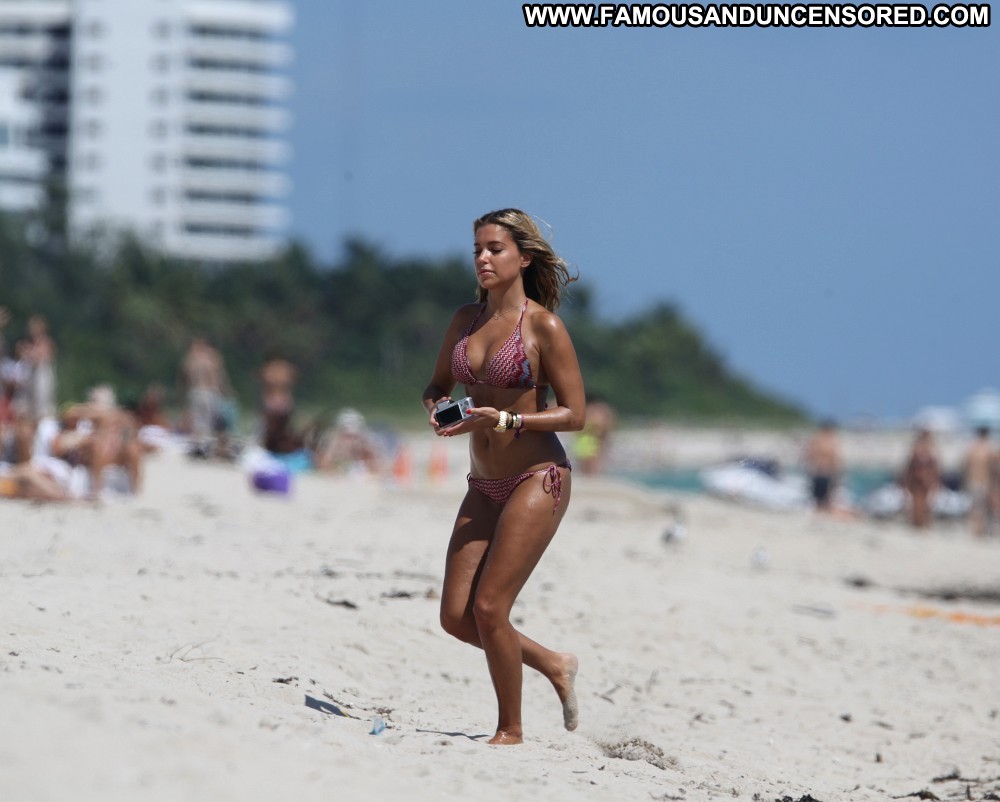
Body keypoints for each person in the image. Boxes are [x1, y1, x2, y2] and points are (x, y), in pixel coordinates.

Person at [421, 208, 585, 745]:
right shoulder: (465, 320)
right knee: (455, 617)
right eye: (478, 250)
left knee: (490, 607)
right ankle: (554, 663)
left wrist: (509, 420)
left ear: (524, 258)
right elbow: (436, 385)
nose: (483, 259)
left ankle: (510, 730)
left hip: (538, 478)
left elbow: (575, 415)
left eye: (495, 249)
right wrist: (439, 409)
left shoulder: (543, 326)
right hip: (482, 483)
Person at [180, 336, 232, 456]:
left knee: (199, 420)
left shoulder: (191, 359)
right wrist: (223, 391)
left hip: (196, 391)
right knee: (209, 420)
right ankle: (207, 445)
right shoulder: (212, 358)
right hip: (209, 392)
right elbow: (219, 377)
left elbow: (185, 377)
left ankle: (200, 444)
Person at [902, 428, 940, 529]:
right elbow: (912, 467)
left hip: (923, 480)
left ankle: (920, 523)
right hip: (919, 480)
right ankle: (918, 523)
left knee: (924, 503)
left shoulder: (926, 449)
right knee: (919, 503)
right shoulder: (922, 450)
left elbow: (934, 468)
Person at [962, 426, 995, 537]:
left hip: (973, 480)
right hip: (985, 481)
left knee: (975, 506)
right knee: (983, 506)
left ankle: (975, 529)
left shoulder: (972, 448)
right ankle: (980, 529)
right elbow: (993, 468)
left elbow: (965, 466)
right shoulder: (989, 449)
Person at [804, 419, 842, 513]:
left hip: (818, 471)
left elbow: (809, 456)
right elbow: (834, 458)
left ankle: (820, 512)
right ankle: (822, 512)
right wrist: (837, 472)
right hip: (825, 471)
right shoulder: (830, 441)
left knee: (820, 496)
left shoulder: (816, 440)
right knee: (825, 496)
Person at [573, 393, 616, 475]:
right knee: (590, 470)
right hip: (589, 442)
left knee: (588, 470)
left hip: (586, 442)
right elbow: (605, 428)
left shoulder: (585, 412)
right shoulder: (597, 413)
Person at [25, 314, 57, 419]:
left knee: (43, 400)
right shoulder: (32, 343)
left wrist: (28, 354)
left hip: (42, 375)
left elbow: (42, 357)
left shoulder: (45, 342)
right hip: (31, 375)